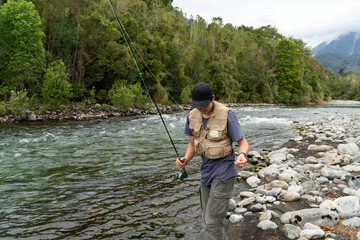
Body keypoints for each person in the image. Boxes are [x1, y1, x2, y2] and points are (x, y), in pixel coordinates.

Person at [175, 82, 249, 240]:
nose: (201, 109)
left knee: (213, 221)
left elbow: (243, 142)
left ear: (212, 98)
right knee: (207, 218)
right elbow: (191, 143)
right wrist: (185, 159)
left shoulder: (227, 114)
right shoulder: (192, 115)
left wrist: (242, 155)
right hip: (206, 171)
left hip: (224, 171)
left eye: (204, 105)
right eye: (197, 105)